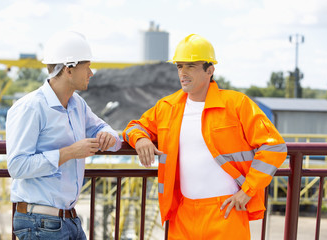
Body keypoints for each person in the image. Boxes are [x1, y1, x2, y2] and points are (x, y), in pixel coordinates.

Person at [123, 34, 287, 239]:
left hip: (226, 212)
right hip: (182, 214)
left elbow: (274, 146)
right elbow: (132, 127)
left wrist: (248, 191)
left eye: (190, 66)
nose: (182, 72)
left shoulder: (237, 104)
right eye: (179, 66)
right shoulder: (167, 107)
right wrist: (141, 139)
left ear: (210, 70)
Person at [6, 30, 122, 240]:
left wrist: (108, 135)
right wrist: (69, 152)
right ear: (69, 69)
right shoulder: (31, 108)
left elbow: (104, 129)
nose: (91, 73)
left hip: (69, 221)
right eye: (87, 67)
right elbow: (17, 166)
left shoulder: (78, 104)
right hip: (39, 224)